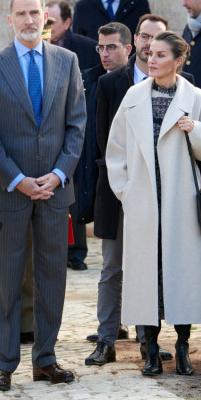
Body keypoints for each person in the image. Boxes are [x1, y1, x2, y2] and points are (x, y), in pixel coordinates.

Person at [0, 0, 86, 391]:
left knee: (52, 274)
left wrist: (58, 175)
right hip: (10, 191)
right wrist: (17, 179)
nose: (28, 20)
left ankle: (46, 359)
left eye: (34, 13)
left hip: (56, 190)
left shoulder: (67, 62)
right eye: (20, 13)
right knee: (4, 277)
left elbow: (77, 126)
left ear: (45, 19)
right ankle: (5, 361)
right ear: (9, 20)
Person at [106, 31, 201, 377]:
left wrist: (195, 129)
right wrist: (126, 191)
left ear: (178, 60)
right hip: (143, 199)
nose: (151, 60)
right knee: (148, 276)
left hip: (180, 201)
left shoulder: (195, 96)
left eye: (160, 55)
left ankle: (184, 347)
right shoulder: (133, 96)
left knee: (181, 274)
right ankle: (152, 350)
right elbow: (116, 149)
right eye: (149, 54)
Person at [85, 15, 186, 362]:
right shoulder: (112, 83)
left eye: (155, 38)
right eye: (143, 36)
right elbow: (103, 141)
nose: (148, 43)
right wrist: (125, 185)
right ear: (137, 42)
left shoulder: (180, 87)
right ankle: (106, 340)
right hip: (119, 190)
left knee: (150, 266)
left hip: (160, 195)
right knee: (112, 267)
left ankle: (148, 340)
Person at [69, 22, 132, 272]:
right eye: (101, 48)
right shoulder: (87, 79)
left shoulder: (140, 81)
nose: (105, 54)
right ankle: (76, 252)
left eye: (111, 47)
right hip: (91, 159)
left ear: (128, 48)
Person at [45, 0, 99, 70]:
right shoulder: (34, 46)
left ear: (67, 23)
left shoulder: (89, 49)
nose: (46, 27)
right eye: (44, 21)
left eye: (51, 22)